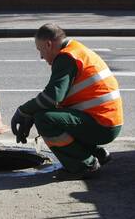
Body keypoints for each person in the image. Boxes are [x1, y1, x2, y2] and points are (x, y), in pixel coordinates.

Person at [11, 23, 123, 180]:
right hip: (106, 121)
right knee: (53, 115)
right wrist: (30, 111)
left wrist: (23, 111)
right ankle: (96, 153)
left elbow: (51, 98)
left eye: (40, 50)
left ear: (49, 44)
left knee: (45, 119)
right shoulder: (75, 49)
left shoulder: (66, 58)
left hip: (102, 125)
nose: (41, 56)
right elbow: (57, 100)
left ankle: (84, 165)